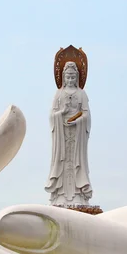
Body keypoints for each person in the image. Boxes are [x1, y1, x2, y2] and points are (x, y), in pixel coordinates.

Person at [45, 61, 93, 206]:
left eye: (73, 77)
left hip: (77, 134)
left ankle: (78, 193)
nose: (70, 80)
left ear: (77, 77)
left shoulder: (81, 93)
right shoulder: (59, 94)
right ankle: (60, 194)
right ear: (63, 77)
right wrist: (62, 113)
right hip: (62, 134)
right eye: (68, 77)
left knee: (77, 162)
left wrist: (78, 121)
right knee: (62, 160)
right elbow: (52, 114)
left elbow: (86, 114)